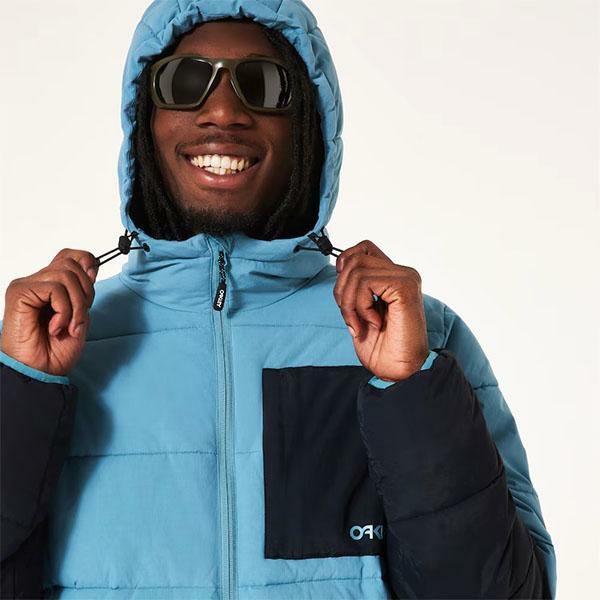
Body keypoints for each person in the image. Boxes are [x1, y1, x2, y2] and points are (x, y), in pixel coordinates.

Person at [0, 0, 556, 598]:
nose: (222, 111)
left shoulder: (416, 338)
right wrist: (21, 392)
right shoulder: (51, 348)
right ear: (145, 121)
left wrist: (410, 391)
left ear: (307, 128)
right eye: (185, 82)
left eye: (264, 85)